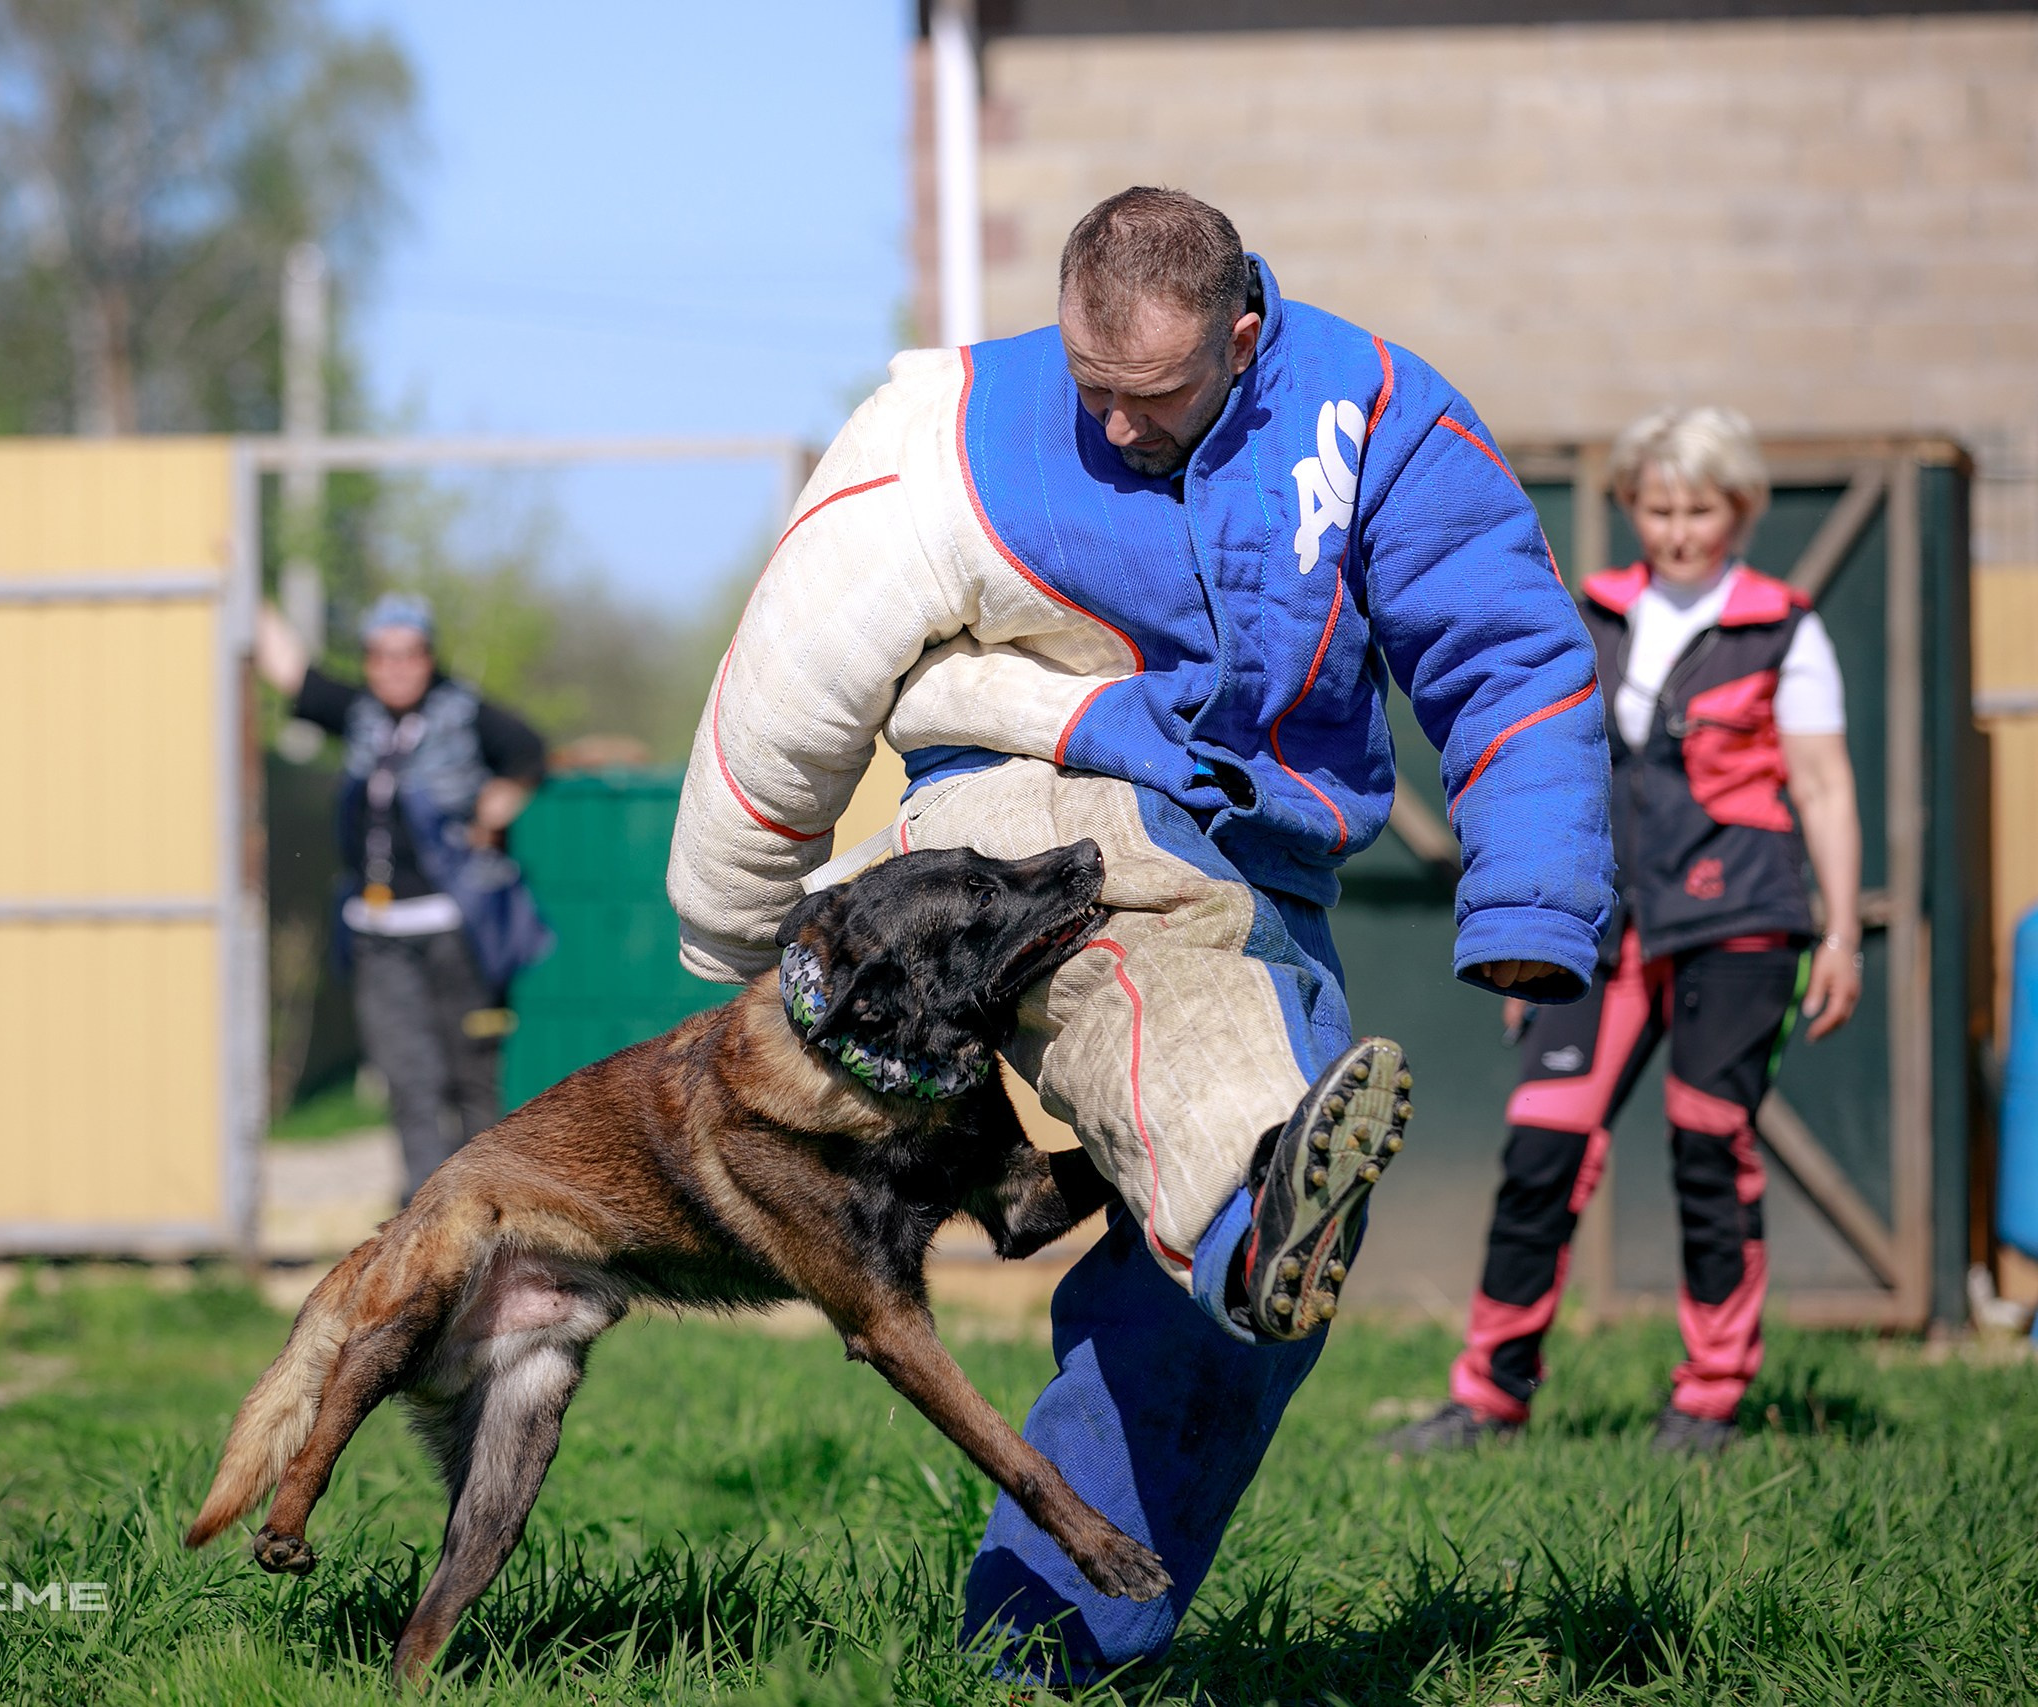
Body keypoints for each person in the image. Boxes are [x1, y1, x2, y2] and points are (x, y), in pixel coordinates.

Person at [666, 187, 1614, 1678]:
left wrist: (1534, 896)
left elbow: (1504, 647)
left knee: (1238, 1313)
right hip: (1019, 801)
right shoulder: (958, 421)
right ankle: (1244, 1202)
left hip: (1260, 863)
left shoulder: (1378, 418)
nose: (1109, 429)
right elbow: (797, 660)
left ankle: (1044, 1645)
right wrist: (731, 937)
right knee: (1140, 972)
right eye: (1089, 389)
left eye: (1151, 398)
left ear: (1243, 336)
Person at [1387, 406, 1863, 1459]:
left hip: (1741, 922)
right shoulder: (1588, 616)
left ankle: (1707, 1400)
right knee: (1543, 1143)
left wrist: (1840, 936)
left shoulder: (1785, 626)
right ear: (1632, 510)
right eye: (1659, 507)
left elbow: (1823, 787)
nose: (1680, 528)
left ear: (1738, 511)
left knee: (1708, 1144)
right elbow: (1547, 769)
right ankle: (1487, 1397)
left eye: (1700, 508)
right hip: (1604, 931)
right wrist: (1537, 934)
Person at [255, 592, 549, 1197]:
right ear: (367, 662)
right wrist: (242, 585)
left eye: (409, 654)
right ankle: (427, 1212)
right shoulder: (361, 713)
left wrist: (502, 799)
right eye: (381, 656)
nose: (395, 667)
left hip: (454, 931)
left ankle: (489, 1207)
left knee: (469, 1075)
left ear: (428, 657)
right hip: (376, 935)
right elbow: (291, 674)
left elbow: (529, 752)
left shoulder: (463, 711)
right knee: (409, 1079)